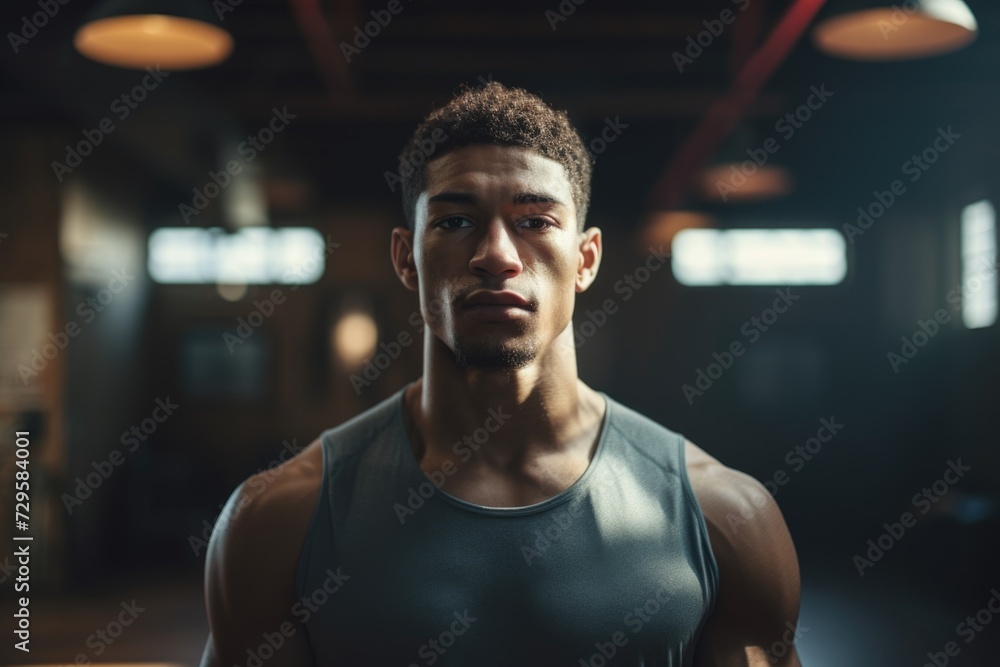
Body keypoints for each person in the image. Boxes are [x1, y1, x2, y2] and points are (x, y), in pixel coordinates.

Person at [200, 81, 803, 667]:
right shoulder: (279, 520)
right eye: (456, 221)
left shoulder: (724, 516)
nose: (497, 254)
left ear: (586, 260)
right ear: (406, 258)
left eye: (535, 221)